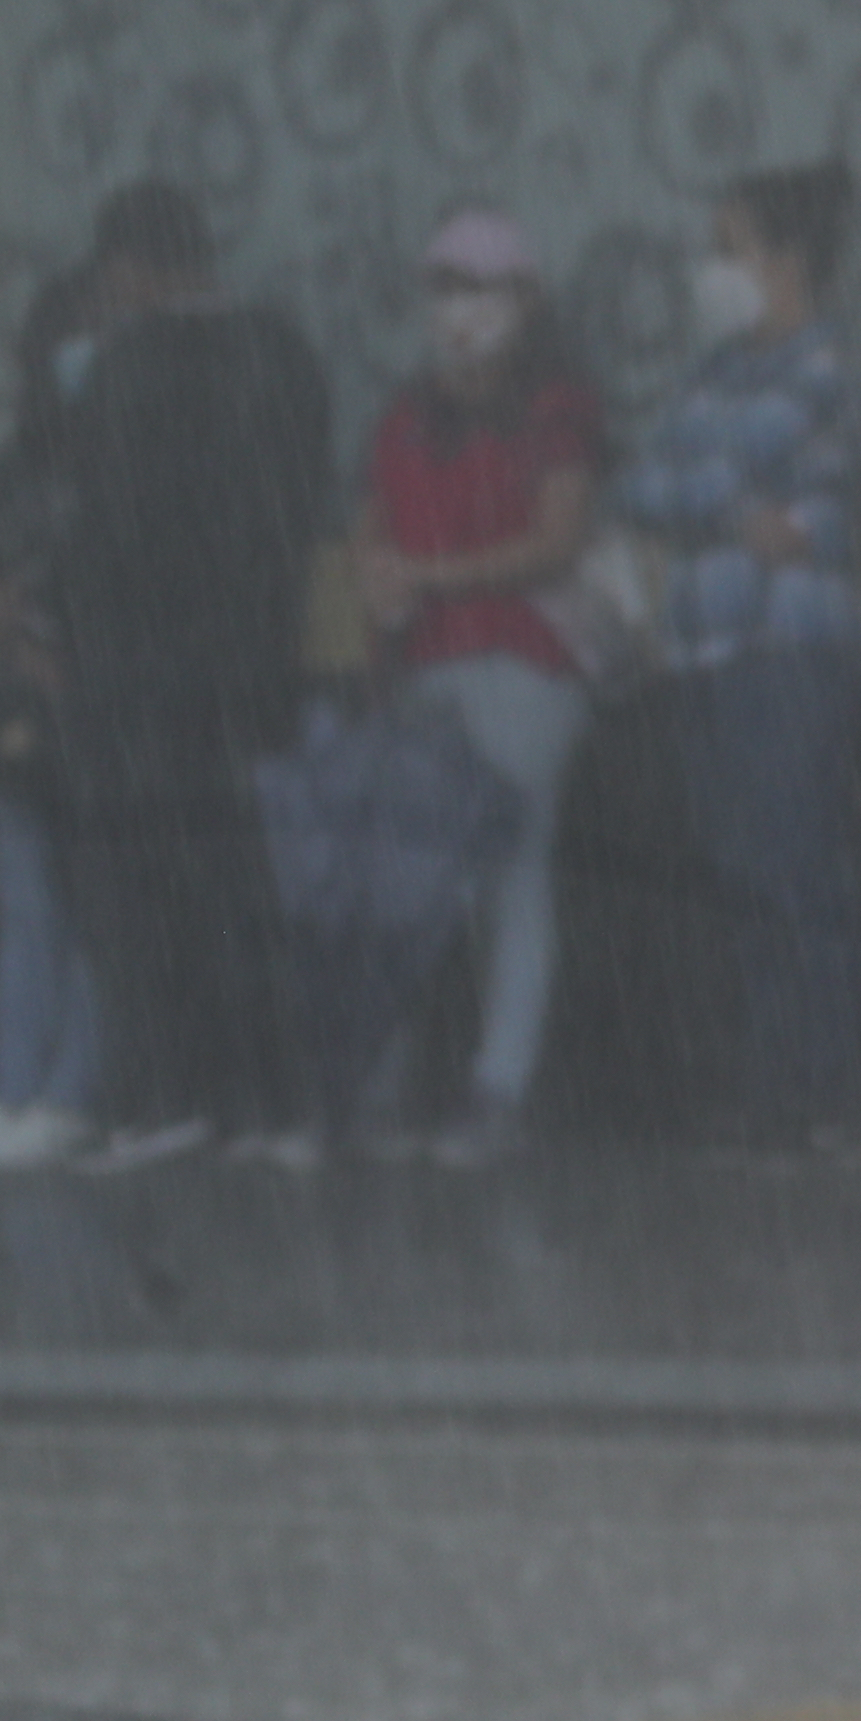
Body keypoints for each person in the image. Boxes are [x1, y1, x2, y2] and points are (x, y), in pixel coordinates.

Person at [45, 182, 333, 1173]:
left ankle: (167, 1098)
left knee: (140, 894)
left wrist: (58, 615)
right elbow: (296, 510)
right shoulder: (287, 355)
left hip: (136, 676)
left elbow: (103, 534)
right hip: (251, 668)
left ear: (128, 270)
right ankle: (277, 1105)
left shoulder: (127, 369)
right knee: (241, 885)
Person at [617, 163, 861, 1156]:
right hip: (705, 654)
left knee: (795, 870)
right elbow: (642, 483)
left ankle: (831, 1089)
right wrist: (732, 509)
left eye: (729, 250)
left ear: (788, 260)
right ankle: (773, 1086)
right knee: (739, 876)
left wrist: (705, 496)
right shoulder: (712, 373)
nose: (710, 272)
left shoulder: (824, 370)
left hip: (786, 656)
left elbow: (699, 475)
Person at [350, 208, 607, 1166]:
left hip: (523, 659)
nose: (459, 308)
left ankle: (498, 1089)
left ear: (525, 301)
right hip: (423, 665)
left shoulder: (558, 409)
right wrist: (376, 575)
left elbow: (558, 537)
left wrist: (432, 576)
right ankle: (392, 1085)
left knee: (507, 868)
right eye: (444, 286)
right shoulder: (407, 413)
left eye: (480, 286)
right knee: (414, 876)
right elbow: (371, 525)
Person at [0, 268, 110, 1171]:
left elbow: (135, 585)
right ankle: (10, 1091)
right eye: (72, 334)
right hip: (19, 709)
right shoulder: (19, 457)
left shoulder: (133, 450)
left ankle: (71, 1094)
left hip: (103, 708)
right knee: (25, 908)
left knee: (98, 911)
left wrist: (76, 649)